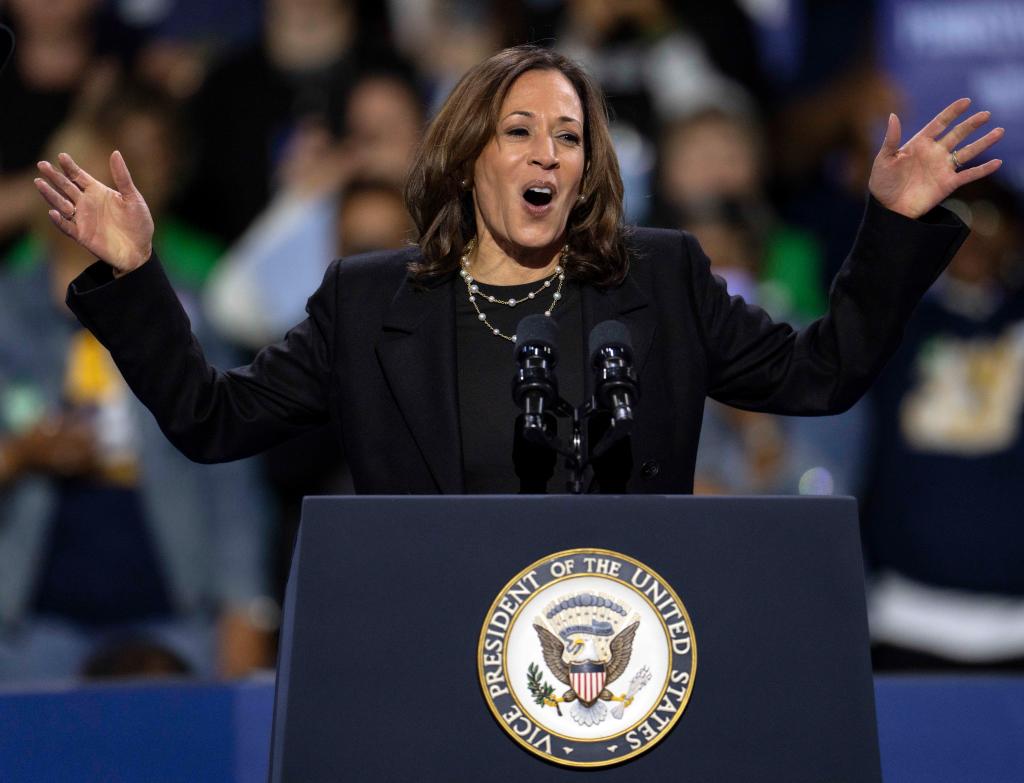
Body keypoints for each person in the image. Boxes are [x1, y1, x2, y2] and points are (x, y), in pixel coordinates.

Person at [32, 45, 1002, 494]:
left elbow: (819, 376)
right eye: (521, 130)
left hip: (622, 657)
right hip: (438, 654)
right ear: (466, 157)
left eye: (570, 137)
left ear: (586, 172)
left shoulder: (659, 279)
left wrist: (888, 225)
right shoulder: (370, 301)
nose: (547, 153)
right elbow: (211, 423)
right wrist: (137, 277)